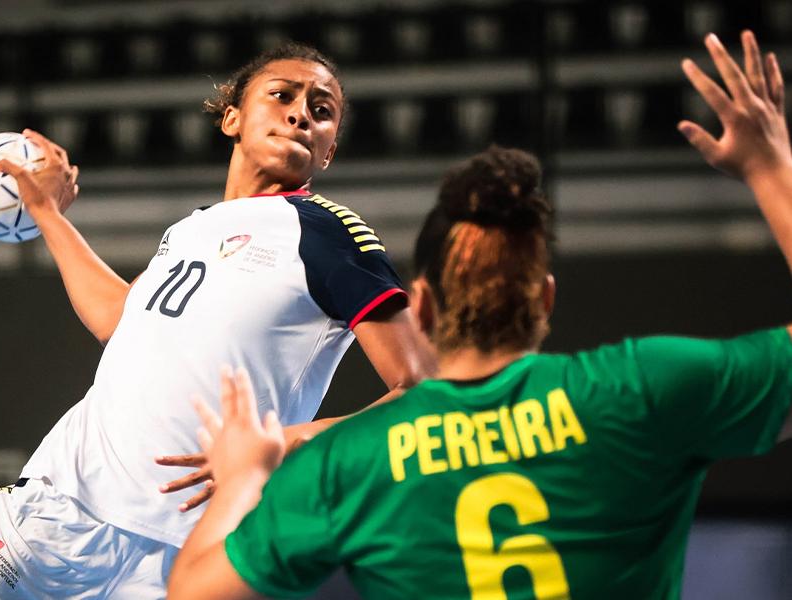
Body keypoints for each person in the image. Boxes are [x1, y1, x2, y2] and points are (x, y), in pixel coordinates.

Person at [167, 31, 792, 599]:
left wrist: (244, 479)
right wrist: (769, 168)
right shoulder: (640, 390)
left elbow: (196, 592)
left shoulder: (350, 463)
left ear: (423, 307)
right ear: (545, 299)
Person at [0, 42, 434, 599]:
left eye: (321, 110)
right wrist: (47, 214)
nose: (301, 114)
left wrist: (284, 442)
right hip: (60, 508)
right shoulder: (191, 229)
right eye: (281, 95)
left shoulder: (330, 234)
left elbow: (423, 391)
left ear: (328, 151)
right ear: (232, 118)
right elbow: (117, 320)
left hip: (189, 551)